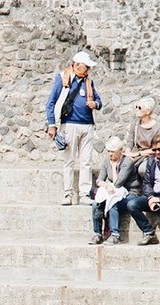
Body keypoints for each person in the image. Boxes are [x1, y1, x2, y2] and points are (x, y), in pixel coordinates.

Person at [43, 52, 103, 205]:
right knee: (69, 160)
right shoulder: (63, 78)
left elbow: (98, 100)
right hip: (69, 124)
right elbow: (51, 102)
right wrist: (52, 124)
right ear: (77, 65)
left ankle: (84, 193)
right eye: (86, 66)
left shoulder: (88, 82)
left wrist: (95, 104)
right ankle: (68, 193)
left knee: (86, 161)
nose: (88, 69)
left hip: (87, 124)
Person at [87, 138, 137, 245]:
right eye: (108, 151)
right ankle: (97, 234)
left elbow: (118, 183)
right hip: (114, 192)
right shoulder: (106, 161)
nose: (110, 154)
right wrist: (105, 185)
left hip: (129, 193)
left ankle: (115, 235)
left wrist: (114, 166)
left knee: (114, 204)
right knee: (96, 204)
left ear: (120, 151)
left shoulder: (127, 162)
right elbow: (99, 180)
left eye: (112, 152)